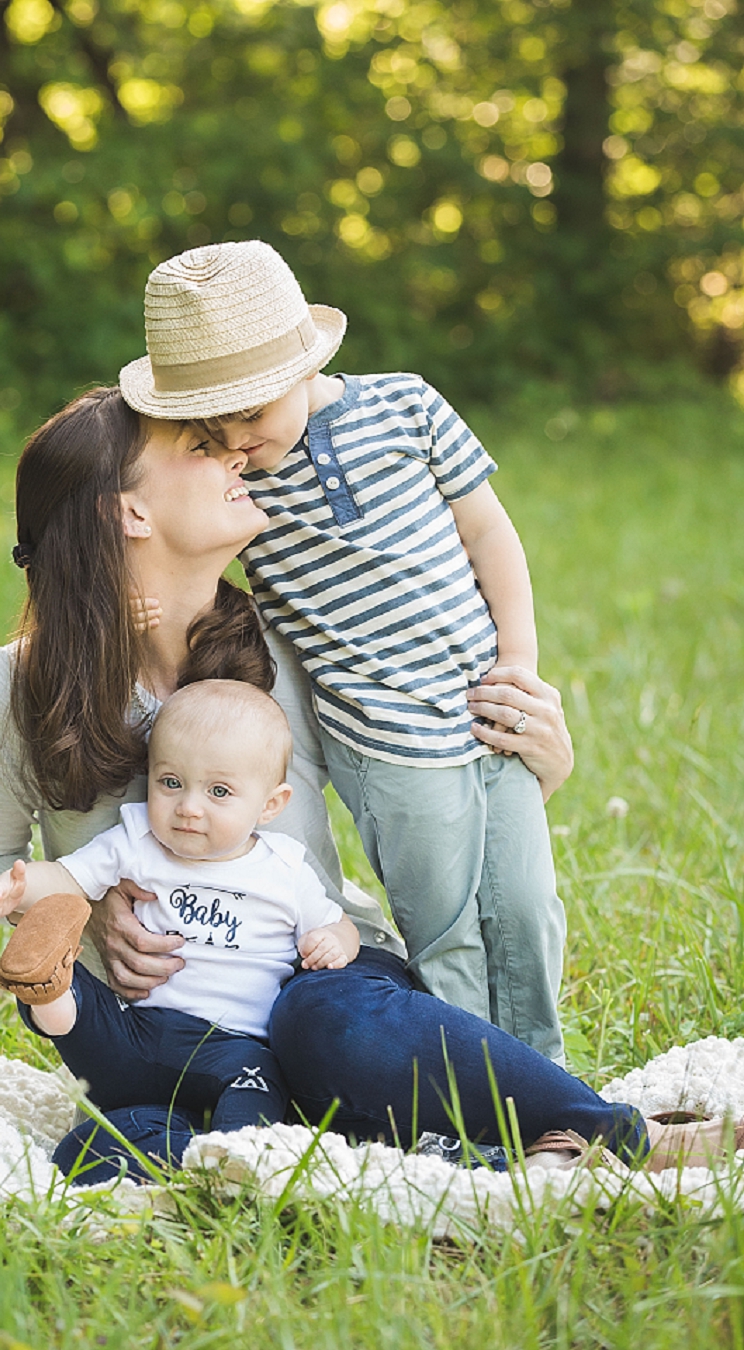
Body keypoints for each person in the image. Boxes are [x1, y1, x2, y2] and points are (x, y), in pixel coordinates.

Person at [0, 384, 730, 1186]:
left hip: (318, 972)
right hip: (162, 1027)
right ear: (130, 513)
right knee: (115, 1142)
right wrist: (86, 901)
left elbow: (416, 796)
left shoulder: (286, 646)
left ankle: (616, 1135)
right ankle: (345, 1142)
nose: (236, 454)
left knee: (326, 1022)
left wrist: (533, 770)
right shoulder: (18, 687)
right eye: (199, 448)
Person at [118, 240, 565, 1063]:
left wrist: (520, 657)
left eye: (250, 415)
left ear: (305, 364)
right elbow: (174, 529)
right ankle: (472, 1089)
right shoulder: (237, 481)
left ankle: (545, 1070)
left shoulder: (409, 407)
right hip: (382, 735)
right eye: (212, 427)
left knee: (528, 904)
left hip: (484, 704)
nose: (237, 443)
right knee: (446, 927)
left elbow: (488, 530)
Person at [0, 680, 358, 1167]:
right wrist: (19, 888)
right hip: (137, 1034)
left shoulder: (285, 870)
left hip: (231, 1050)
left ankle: (219, 1158)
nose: (189, 807)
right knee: (88, 1003)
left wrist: (333, 942)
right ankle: (52, 995)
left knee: (252, 1086)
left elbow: (342, 926)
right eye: (170, 782)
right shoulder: (136, 841)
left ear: (271, 804)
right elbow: (69, 877)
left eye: (219, 791)